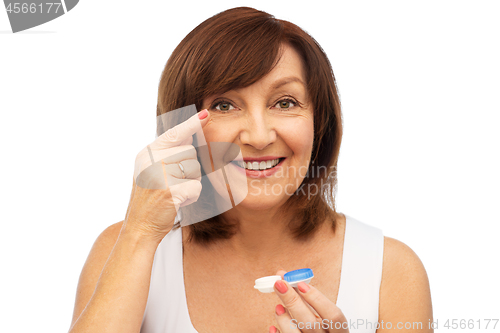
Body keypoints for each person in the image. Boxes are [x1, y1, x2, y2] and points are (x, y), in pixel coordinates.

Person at [68, 6, 433, 333]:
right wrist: (141, 230)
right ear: (181, 126)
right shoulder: (124, 250)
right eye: (225, 105)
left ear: (318, 122)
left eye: (285, 102)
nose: (258, 137)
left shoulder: (392, 271)